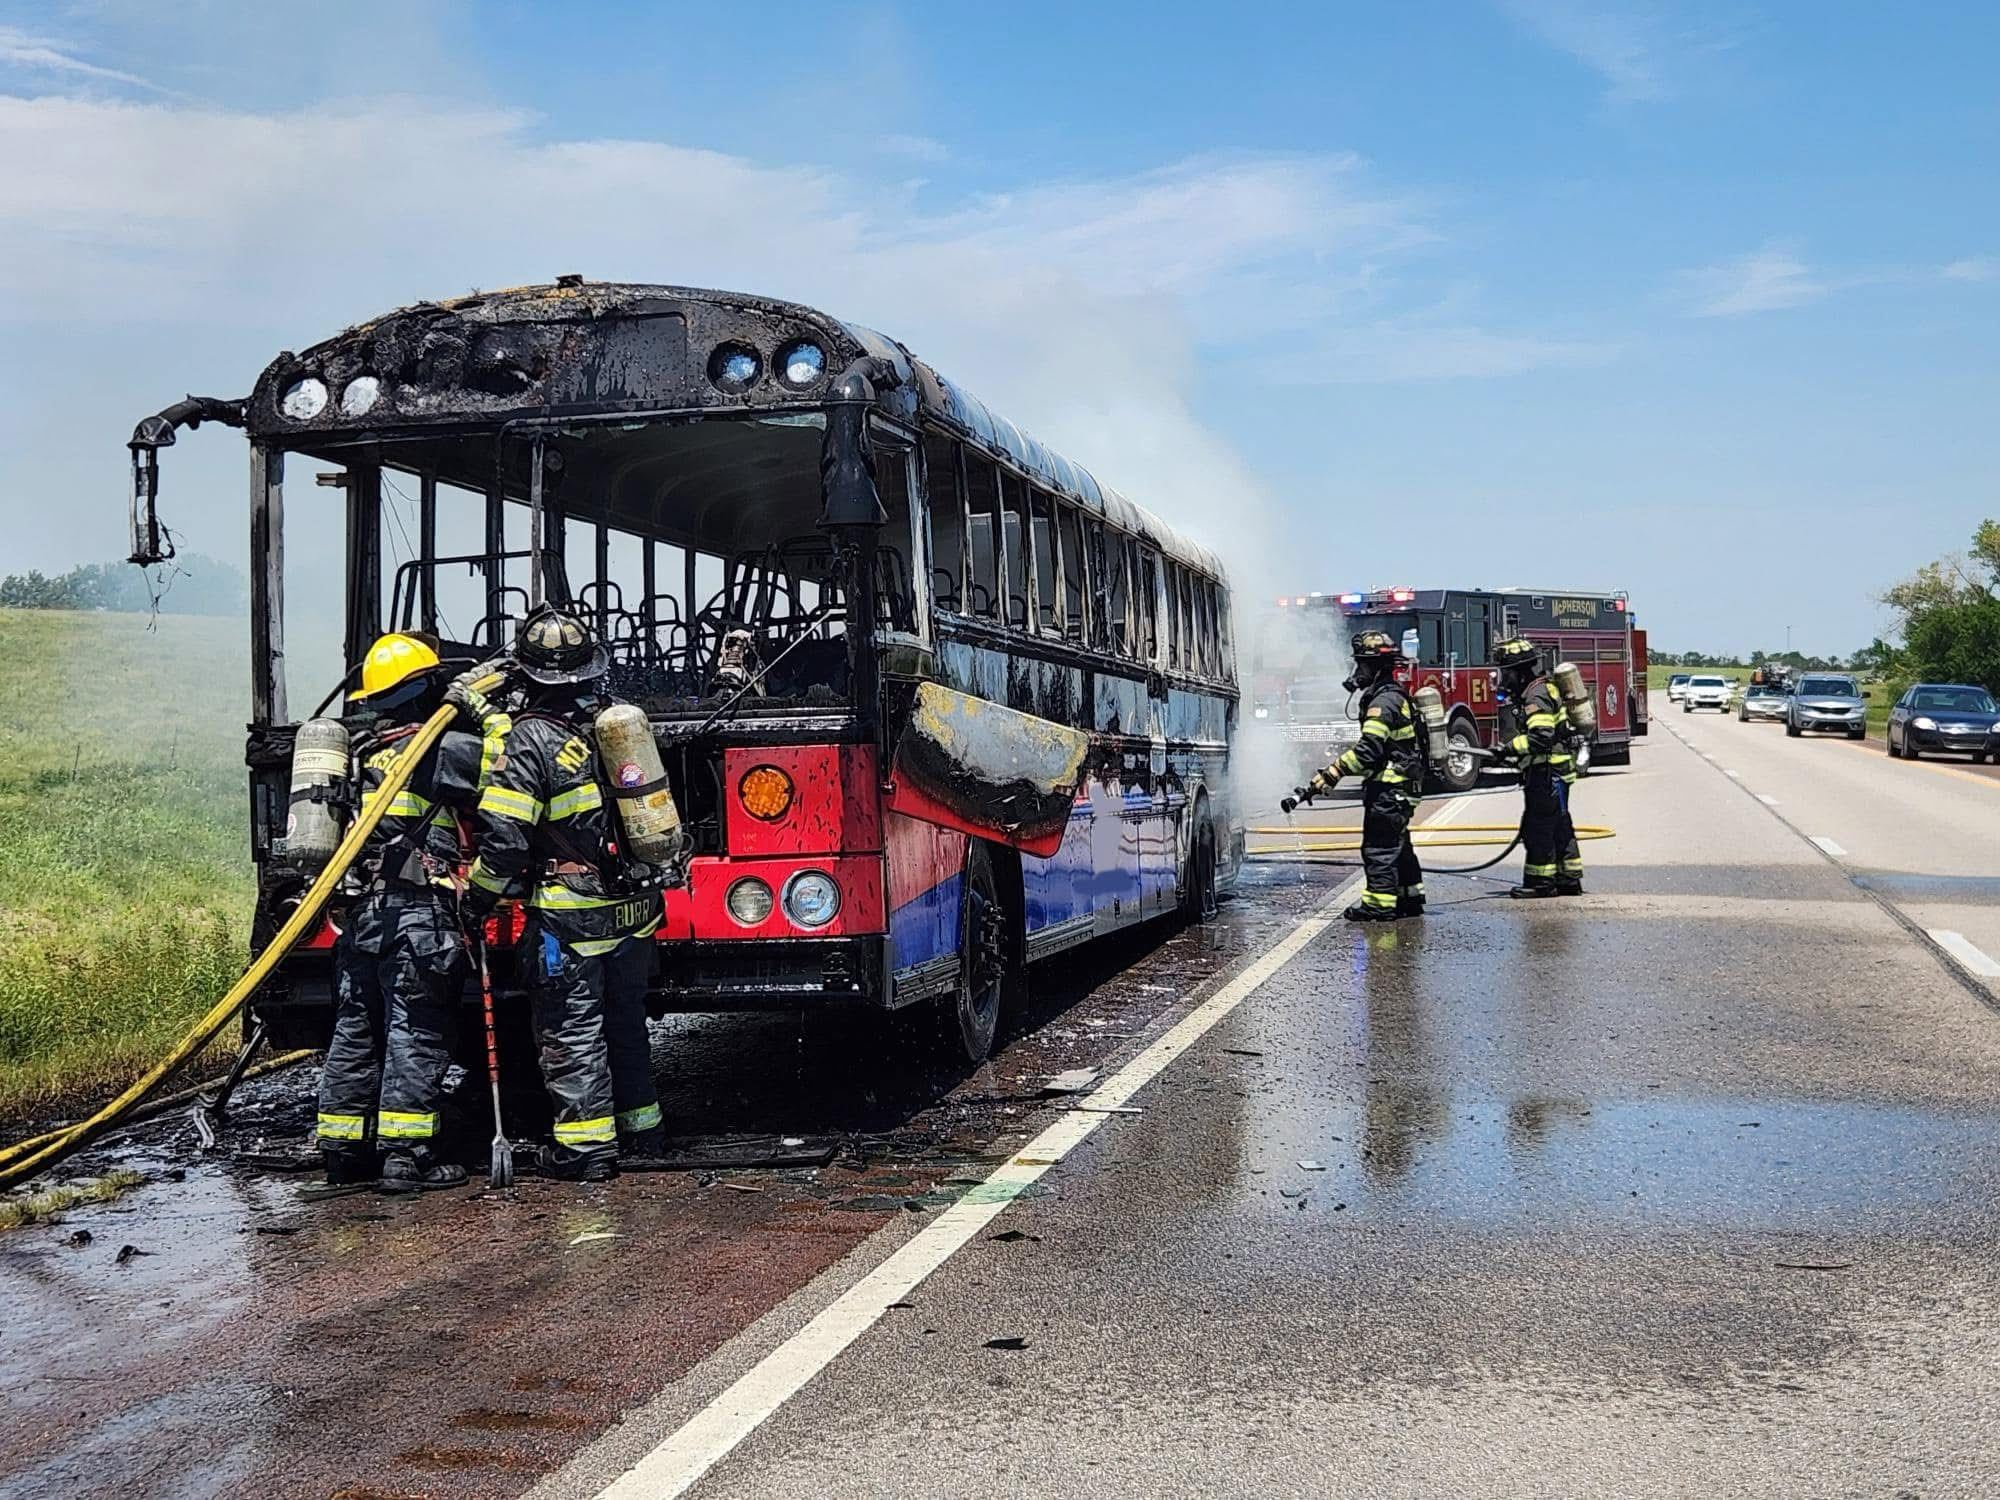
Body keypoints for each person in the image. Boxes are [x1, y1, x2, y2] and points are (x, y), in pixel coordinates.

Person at [459, 604, 666, 1180]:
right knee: (625, 1021)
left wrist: (476, 900)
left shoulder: (529, 743)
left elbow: (503, 843)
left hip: (572, 916)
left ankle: (585, 1149)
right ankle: (643, 1130)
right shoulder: (616, 726)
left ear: (526, 677)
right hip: (634, 909)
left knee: (572, 1030)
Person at [316, 632, 504, 1192]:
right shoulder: (437, 750)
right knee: (414, 1031)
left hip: (365, 916)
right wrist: (481, 708)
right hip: (420, 916)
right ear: (425, 688)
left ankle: (342, 1152)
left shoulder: (363, 755)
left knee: (355, 1028)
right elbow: (508, 761)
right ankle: (406, 1157)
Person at [1282, 630, 1426, 922]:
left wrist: (1333, 772)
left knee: (1379, 847)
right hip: (1400, 785)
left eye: (1361, 665)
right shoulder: (1391, 695)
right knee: (1398, 842)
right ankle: (1409, 897)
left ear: (1374, 667)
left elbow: (1368, 750)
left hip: (1389, 787)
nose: (1356, 672)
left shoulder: (1382, 703)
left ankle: (1380, 904)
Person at [1494, 635, 1583, 898]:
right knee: (1559, 825)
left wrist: (1508, 749)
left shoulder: (1536, 695)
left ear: (1520, 671)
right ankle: (1568, 879)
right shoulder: (1544, 688)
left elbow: (1540, 736)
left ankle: (1540, 883)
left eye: (1507, 672)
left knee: (1539, 828)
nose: (1504, 678)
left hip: (1547, 774)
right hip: (1556, 771)